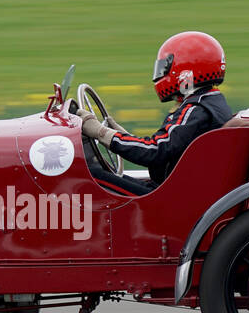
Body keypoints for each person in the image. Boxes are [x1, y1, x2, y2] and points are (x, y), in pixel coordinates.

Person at [77, 31, 234, 195]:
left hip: (172, 196)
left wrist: (101, 132)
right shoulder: (212, 103)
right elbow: (165, 150)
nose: (160, 75)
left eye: (165, 67)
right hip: (182, 188)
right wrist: (118, 134)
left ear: (185, 72)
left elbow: (155, 151)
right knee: (106, 175)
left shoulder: (195, 109)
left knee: (92, 176)